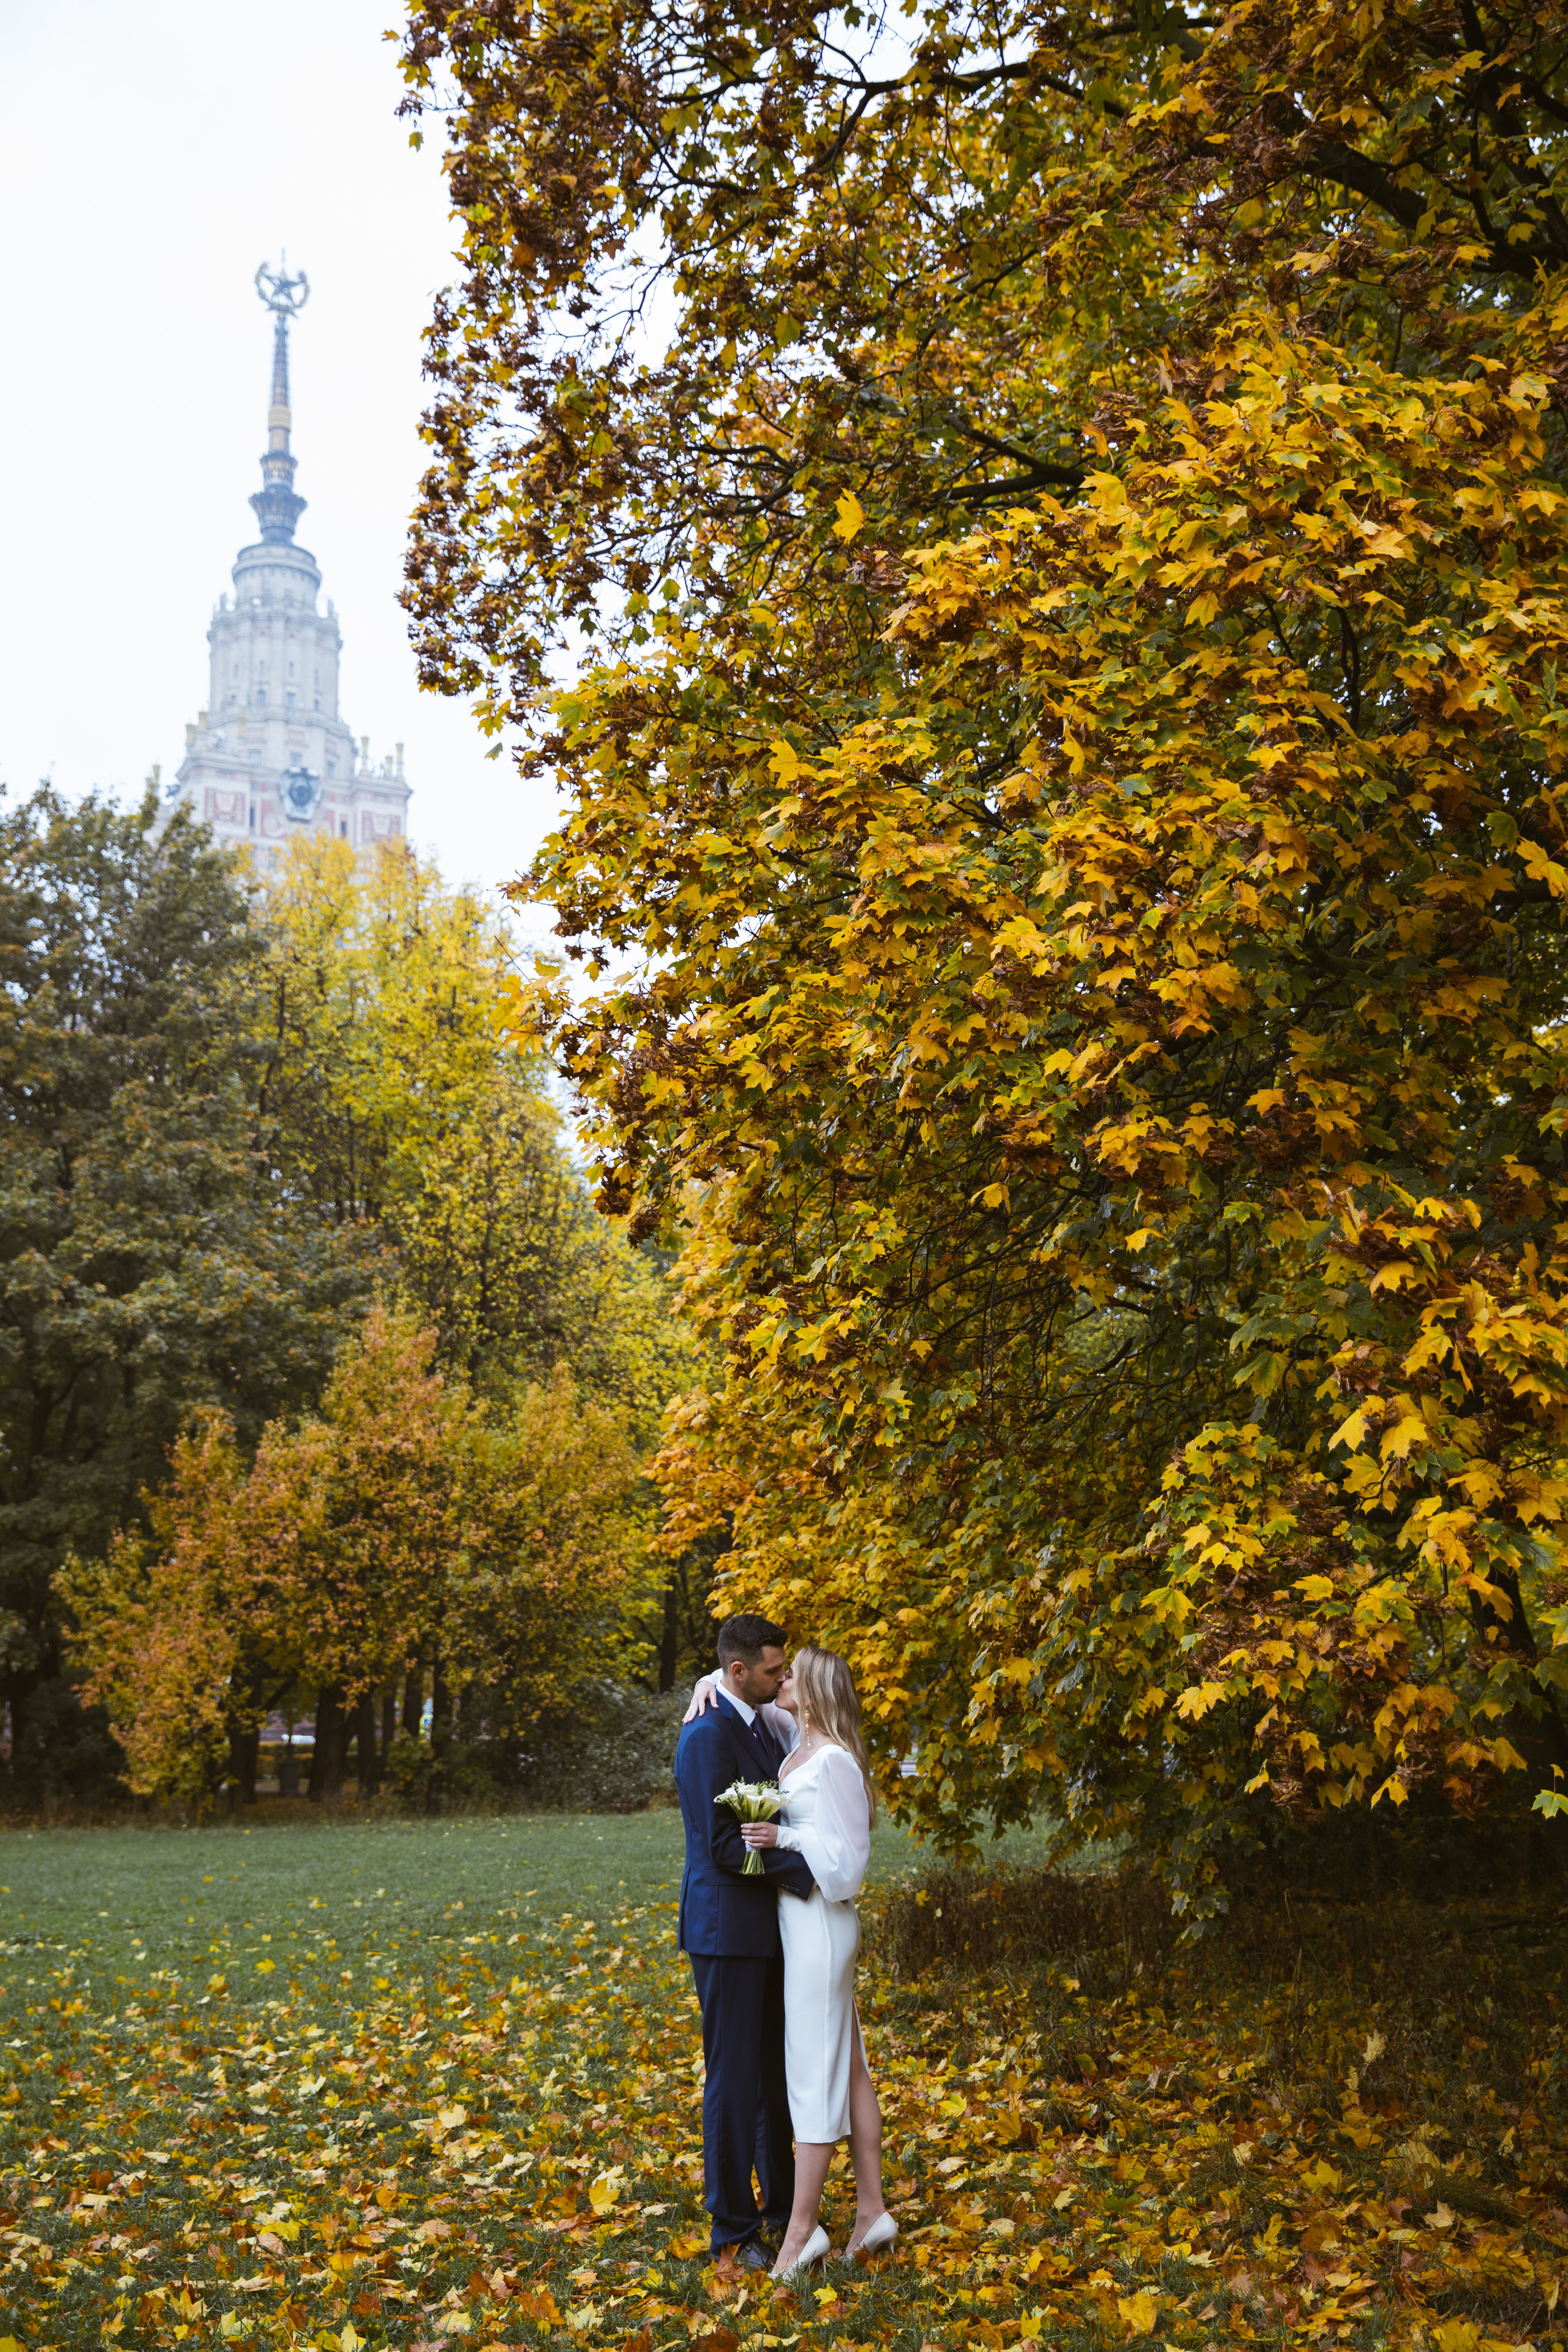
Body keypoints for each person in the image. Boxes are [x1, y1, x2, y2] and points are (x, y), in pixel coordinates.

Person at [686, 1643, 896, 2278]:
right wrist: (708, 1679)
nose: (781, 1682)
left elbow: (848, 1869)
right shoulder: (789, 1732)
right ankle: (872, 2212)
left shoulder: (832, 1760)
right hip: (796, 1927)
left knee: (810, 2075)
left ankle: (800, 2232)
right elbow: (738, 1688)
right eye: (775, 1673)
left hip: (820, 1926)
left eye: (791, 1675)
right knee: (852, 2068)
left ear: (813, 1690)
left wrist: (788, 1836)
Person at [673, 1613, 816, 2268]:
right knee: (733, 2083)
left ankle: (784, 2214)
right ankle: (731, 2230)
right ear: (737, 1672)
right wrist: (805, 1872)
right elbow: (723, 1845)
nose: (781, 1677)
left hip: (770, 1932)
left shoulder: (766, 1724)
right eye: (771, 1670)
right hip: (728, 1932)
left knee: (773, 2077)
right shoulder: (708, 1736)